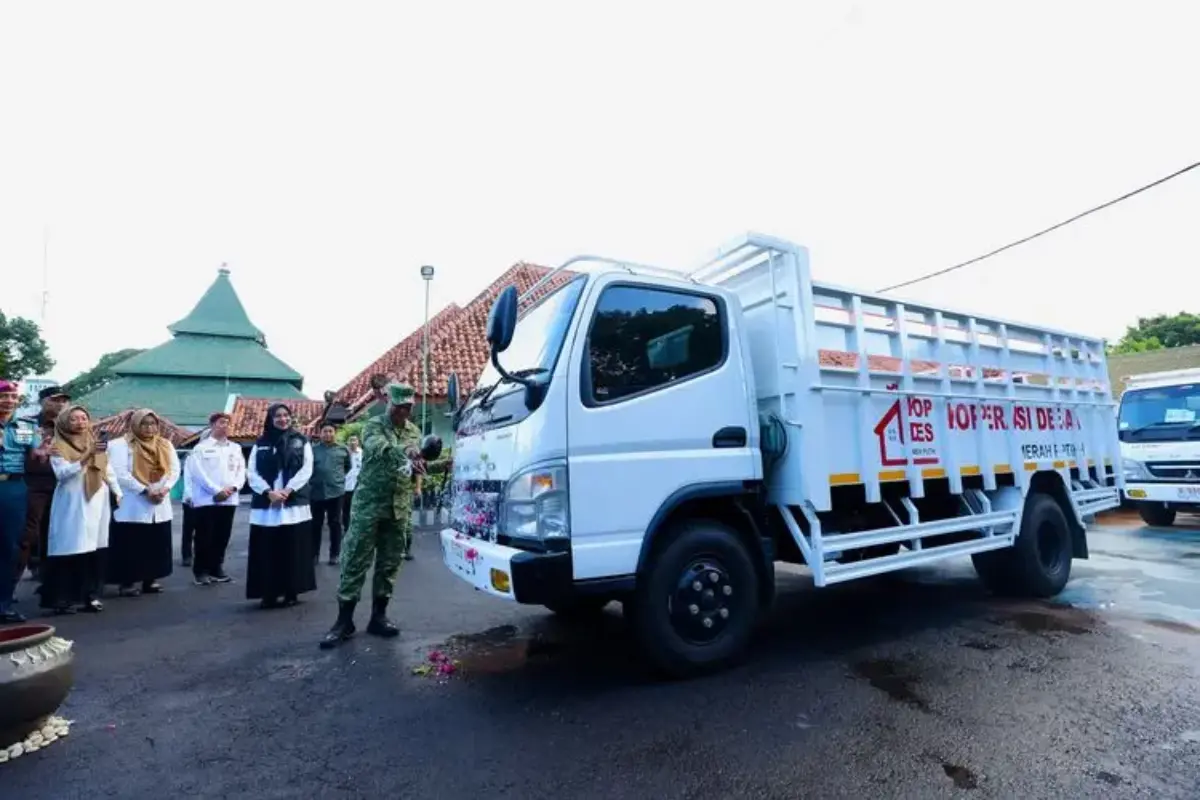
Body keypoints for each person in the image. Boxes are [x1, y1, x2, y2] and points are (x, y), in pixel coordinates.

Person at [320, 383, 450, 649]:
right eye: (400, 407)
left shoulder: (414, 431)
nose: (404, 412)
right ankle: (344, 621)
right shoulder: (374, 426)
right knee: (355, 559)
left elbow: (416, 466)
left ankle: (378, 617)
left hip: (398, 508)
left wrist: (440, 465)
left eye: (408, 408)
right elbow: (380, 448)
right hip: (369, 506)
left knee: (390, 564)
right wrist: (408, 451)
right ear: (390, 404)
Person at [41, 406, 121, 614]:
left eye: (83, 418)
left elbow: (106, 468)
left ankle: (90, 595)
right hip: (73, 499)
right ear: (65, 422)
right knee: (72, 546)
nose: (80, 422)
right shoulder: (57, 445)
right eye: (74, 419)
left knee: (95, 548)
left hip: (98, 498)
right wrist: (86, 456)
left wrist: (116, 490)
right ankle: (63, 599)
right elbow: (63, 473)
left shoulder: (94, 442)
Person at [245, 403, 317, 608]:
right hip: (268, 506)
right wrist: (269, 493)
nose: (283, 419)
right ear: (270, 419)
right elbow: (251, 473)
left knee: (293, 549)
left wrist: (287, 491)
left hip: (293, 504)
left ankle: (291, 591)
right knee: (267, 550)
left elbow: (306, 469)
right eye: (278, 416)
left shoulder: (301, 441)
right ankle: (268, 593)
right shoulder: (260, 443)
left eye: (286, 415)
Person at [108, 408, 180, 596]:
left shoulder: (165, 444)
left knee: (155, 543)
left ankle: (151, 579)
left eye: (152, 424)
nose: (149, 428)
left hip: (159, 500)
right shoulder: (120, 445)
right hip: (132, 502)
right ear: (134, 425)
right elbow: (119, 472)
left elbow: (174, 470)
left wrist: (165, 489)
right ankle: (127, 581)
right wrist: (145, 490)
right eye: (144, 424)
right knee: (130, 543)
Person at [0, 380, 51, 623]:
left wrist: (41, 452)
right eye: (3, 396)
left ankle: (4, 604)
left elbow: (35, 453)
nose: (8, 400)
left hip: (13, 487)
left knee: (11, 546)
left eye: (12, 396)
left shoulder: (24, 426)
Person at [18, 385, 69, 582]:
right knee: (29, 531)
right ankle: (20, 572)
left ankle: (51, 574)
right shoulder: (26, 424)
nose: (60, 404)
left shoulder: (70, 426)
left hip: (62, 483)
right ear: (43, 402)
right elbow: (21, 451)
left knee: (55, 529)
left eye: (64, 400)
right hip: (34, 483)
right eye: (55, 400)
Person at [188, 412, 246, 585]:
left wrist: (234, 487)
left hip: (229, 499)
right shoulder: (201, 448)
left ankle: (216, 568)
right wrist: (215, 491)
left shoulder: (235, 448)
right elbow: (198, 473)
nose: (225, 425)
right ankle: (201, 571)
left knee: (222, 536)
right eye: (221, 422)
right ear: (212, 425)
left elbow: (241, 471)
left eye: (228, 423)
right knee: (204, 536)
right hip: (207, 500)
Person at [310, 422, 350, 566]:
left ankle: (335, 554)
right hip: (316, 492)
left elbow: (347, 466)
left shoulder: (343, 449)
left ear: (335, 433)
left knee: (335, 523)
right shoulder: (313, 450)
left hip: (336, 492)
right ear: (320, 434)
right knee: (315, 524)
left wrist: (337, 479)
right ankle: (314, 555)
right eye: (325, 431)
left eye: (330, 431)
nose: (328, 434)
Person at [342, 434, 362, 531]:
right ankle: (347, 528)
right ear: (347, 442)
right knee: (346, 509)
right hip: (345, 486)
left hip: (358, 487)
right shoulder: (343, 453)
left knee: (357, 509)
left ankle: (356, 529)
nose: (353, 442)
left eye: (355, 440)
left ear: (358, 442)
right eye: (351, 440)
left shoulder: (362, 453)